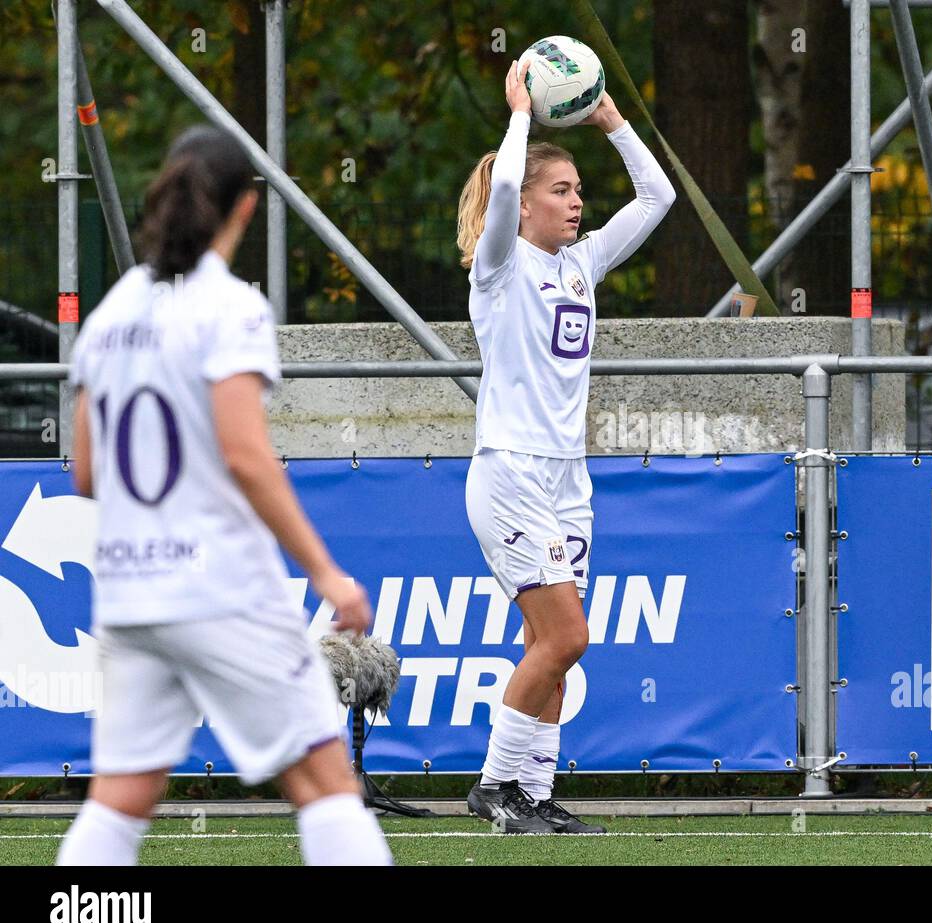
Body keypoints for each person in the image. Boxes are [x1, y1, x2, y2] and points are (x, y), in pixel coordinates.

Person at [57, 126, 393, 865]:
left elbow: (84, 473)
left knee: (120, 798)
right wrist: (325, 572)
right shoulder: (230, 305)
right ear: (246, 208)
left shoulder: (110, 315)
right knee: (325, 781)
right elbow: (245, 451)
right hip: (216, 585)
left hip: (127, 590)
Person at [456, 62, 675, 833]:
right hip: (509, 472)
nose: (577, 202)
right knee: (569, 634)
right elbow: (506, 193)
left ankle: (535, 795)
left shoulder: (581, 265)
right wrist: (520, 116)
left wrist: (610, 121)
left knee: (551, 646)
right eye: (563, 191)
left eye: (580, 190)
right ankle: (492, 785)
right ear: (521, 209)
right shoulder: (500, 269)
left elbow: (660, 198)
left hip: (566, 481)